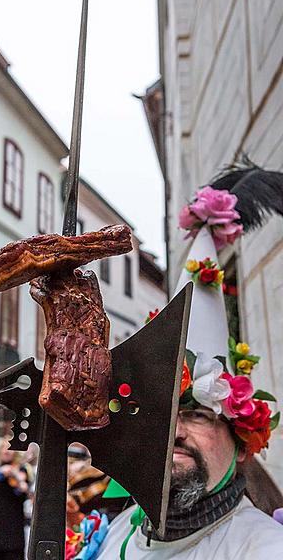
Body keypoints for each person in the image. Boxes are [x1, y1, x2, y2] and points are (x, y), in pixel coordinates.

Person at [97, 210, 283, 558]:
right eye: (162, 411)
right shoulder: (116, 533)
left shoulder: (265, 549)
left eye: (197, 414)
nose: (174, 430)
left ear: (242, 444)